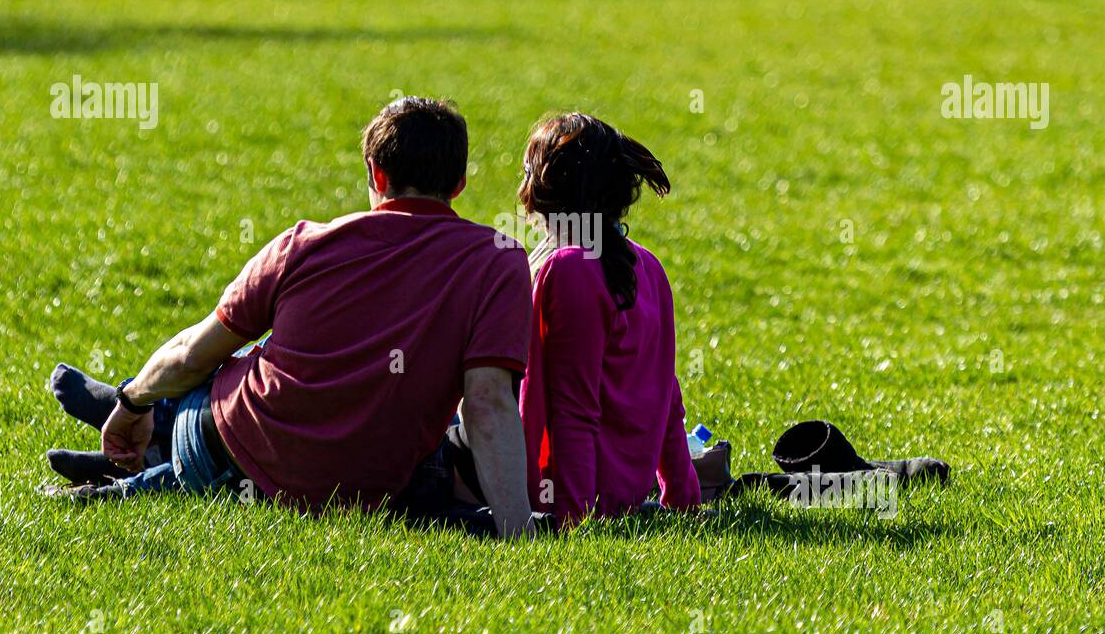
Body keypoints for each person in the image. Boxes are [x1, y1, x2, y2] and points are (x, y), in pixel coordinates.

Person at [46, 97, 536, 540]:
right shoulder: (498, 261)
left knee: (229, 365)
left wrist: (133, 401)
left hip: (225, 453)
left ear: (376, 174)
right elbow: (489, 403)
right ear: (459, 182)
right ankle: (143, 449)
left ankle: (139, 433)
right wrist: (517, 532)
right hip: (363, 488)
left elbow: (192, 355)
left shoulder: (303, 244)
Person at [515, 113, 702, 526]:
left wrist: (572, 517)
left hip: (564, 494)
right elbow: (667, 396)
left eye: (528, 172)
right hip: (621, 494)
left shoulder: (569, 270)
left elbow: (572, 411)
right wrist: (683, 496)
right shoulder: (648, 265)